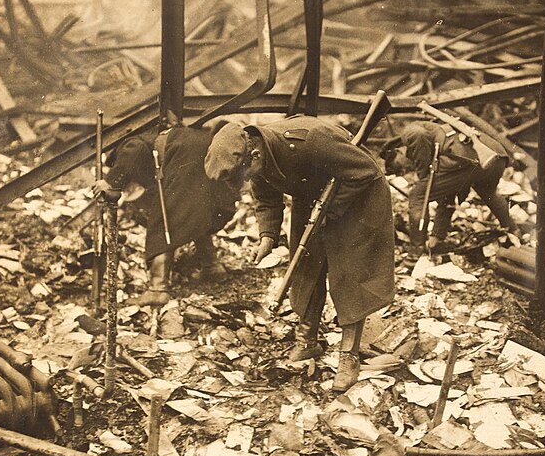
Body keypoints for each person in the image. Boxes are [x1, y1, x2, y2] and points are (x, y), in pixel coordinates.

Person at [204, 116, 395, 392]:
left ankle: (349, 355)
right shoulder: (257, 154)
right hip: (315, 196)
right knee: (304, 266)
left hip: (358, 194)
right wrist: (267, 236)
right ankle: (308, 341)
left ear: (254, 154)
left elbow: (365, 171)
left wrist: (330, 209)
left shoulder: (309, 139)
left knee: (349, 274)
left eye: (246, 174)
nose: (247, 181)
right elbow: (266, 195)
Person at [93, 124, 240, 306]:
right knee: (192, 213)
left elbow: (133, 151)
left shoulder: (129, 144)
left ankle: (157, 289)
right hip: (204, 150)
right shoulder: (152, 139)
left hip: (187, 155)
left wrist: (110, 182)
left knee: (164, 219)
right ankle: (213, 267)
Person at [400, 121, 519, 251]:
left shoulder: (410, 131)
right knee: (488, 192)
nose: (404, 168)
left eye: (397, 165)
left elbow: (418, 134)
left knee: (418, 196)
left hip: (471, 158)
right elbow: (448, 190)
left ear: (398, 150)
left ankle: (416, 250)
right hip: (497, 155)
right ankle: (514, 231)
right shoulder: (438, 131)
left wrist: (423, 177)